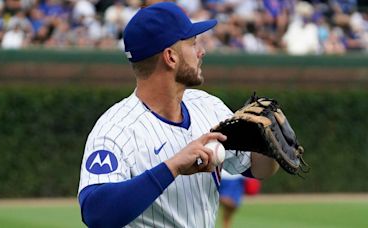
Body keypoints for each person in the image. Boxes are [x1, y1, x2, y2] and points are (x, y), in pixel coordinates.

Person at [77, 2, 279, 227]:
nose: (201, 51)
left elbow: (256, 169)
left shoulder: (208, 106)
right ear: (170, 57)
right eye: (192, 44)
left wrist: (268, 147)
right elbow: (95, 213)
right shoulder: (116, 129)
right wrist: (172, 167)